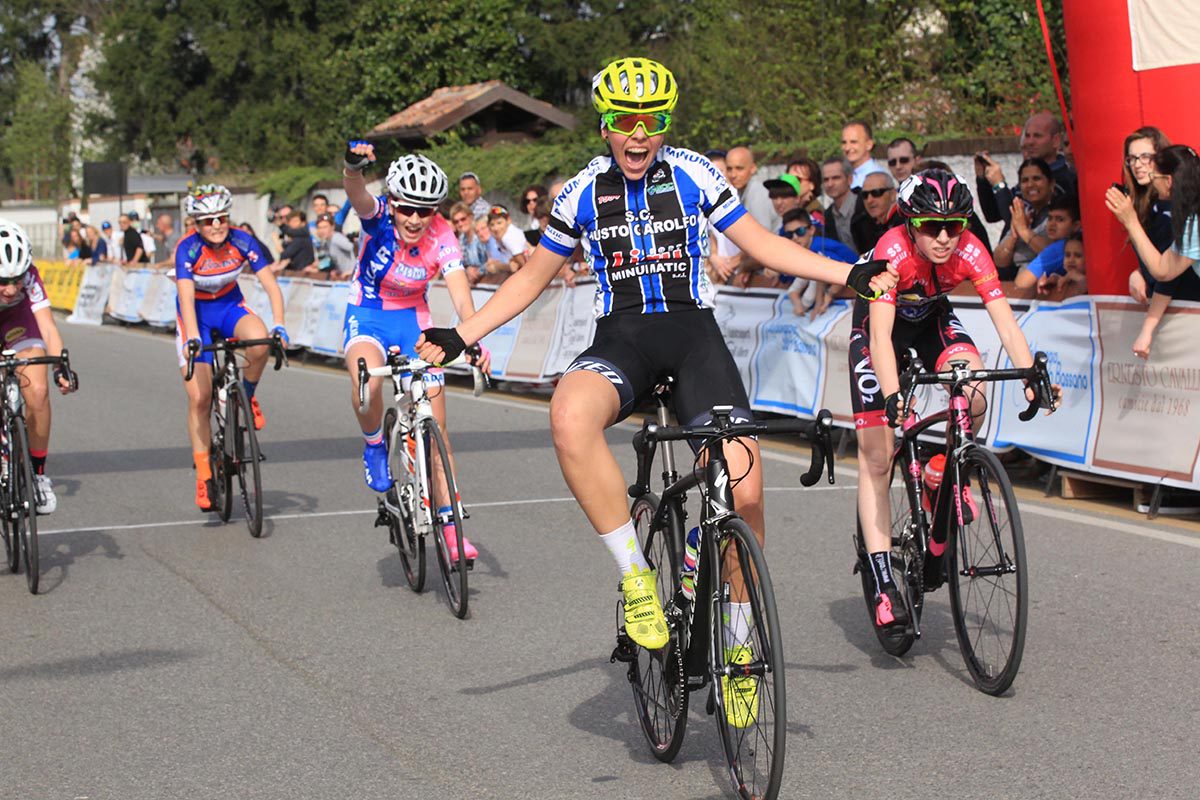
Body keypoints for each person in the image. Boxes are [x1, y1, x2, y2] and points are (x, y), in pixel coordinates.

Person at [416, 58, 893, 726]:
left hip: (694, 338)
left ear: (665, 125)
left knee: (745, 489)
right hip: (623, 339)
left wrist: (850, 273)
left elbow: (761, 244)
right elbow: (530, 279)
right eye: (625, 121)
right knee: (568, 416)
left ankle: (738, 643)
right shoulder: (582, 191)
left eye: (652, 121)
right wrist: (462, 333)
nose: (638, 134)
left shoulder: (695, 174)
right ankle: (636, 576)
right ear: (606, 126)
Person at [850, 170, 1057, 632]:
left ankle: (944, 466)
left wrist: (1030, 375)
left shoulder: (970, 249)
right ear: (910, 223)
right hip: (878, 330)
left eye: (954, 226)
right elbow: (880, 339)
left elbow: (1005, 322)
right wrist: (892, 396)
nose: (944, 237)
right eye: (931, 226)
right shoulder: (891, 251)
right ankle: (883, 584)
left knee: (974, 391)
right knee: (878, 457)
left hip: (931, 321)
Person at [340, 145, 491, 563]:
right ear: (392, 203)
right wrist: (353, 168)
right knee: (366, 381)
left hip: (413, 319)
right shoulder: (376, 217)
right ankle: (374, 443)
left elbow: (460, 292)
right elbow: (356, 193)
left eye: (424, 211)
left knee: (437, 429)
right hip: (368, 314)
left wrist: (472, 336)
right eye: (406, 208)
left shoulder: (442, 234)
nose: (414, 219)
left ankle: (450, 527)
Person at [175, 185, 289, 512]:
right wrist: (192, 338)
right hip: (196, 314)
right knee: (200, 397)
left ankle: (246, 395)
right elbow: (185, 298)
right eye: (207, 220)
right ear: (196, 223)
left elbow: (270, 285)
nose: (216, 225)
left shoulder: (242, 241)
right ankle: (203, 474)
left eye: (221, 218)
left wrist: (280, 324)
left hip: (228, 306)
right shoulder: (187, 248)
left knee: (260, 341)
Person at [0, 220, 79, 514]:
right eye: (3, 281)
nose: (11, 289)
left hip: (17, 322)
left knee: (38, 391)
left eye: (17, 279)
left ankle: (37, 473)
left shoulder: (30, 276)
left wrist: (60, 367)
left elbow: (47, 327)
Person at [1114, 145, 1200, 292]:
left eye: (1153, 176)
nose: (1152, 183)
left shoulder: (1195, 223)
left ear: (1168, 181)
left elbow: (1163, 271)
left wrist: (1131, 221)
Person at [1105, 126, 1172, 303]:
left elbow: (1170, 270)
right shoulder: (1145, 203)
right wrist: (1139, 272)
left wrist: (1131, 221)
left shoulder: (1173, 205)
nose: (1137, 164)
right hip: (1158, 302)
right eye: (1132, 158)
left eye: (1145, 157)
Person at [992, 158, 1057, 280]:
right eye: (1025, 180)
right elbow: (999, 260)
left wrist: (1024, 231)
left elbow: (1055, 255)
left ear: (1051, 183)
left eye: (1036, 178)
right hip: (1016, 281)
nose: (1030, 185)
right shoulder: (1023, 213)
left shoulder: (1059, 214)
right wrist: (1014, 236)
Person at [1013, 195, 1081, 291]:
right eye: (1049, 218)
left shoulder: (1058, 248)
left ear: (1076, 225)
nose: (1052, 224)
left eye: (1060, 219)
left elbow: (1021, 283)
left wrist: (1022, 230)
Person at [851, 171, 897, 253]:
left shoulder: (906, 221)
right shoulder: (860, 224)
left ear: (893, 194)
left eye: (876, 193)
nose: (869, 200)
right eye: (864, 195)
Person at [1037, 232, 1088, 302]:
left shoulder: (1094, 282)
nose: (1071, 260)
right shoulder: (1061, 281)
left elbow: (1090, 290)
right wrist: (1049, 287)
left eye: (1078, 256)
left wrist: (1078, 277)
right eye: (1067, 255)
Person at [821, 157, 858, 252]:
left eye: (836, 178)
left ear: (849, 179)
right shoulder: (828, 215)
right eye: (826, 180)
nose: (830, 184)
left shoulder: (864, 206)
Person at [483, 205, 529, 278]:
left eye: (499, 223)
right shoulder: (501, 238)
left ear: (508, 220)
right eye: (492, 224)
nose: (496, 228)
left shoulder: (508, 237)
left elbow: (524, 265)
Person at [841, 120, 888, 189]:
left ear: (869, 145)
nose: (847, 148)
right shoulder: (847, 175)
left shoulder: (876, 178)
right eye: (844, 142)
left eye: (853, 142)